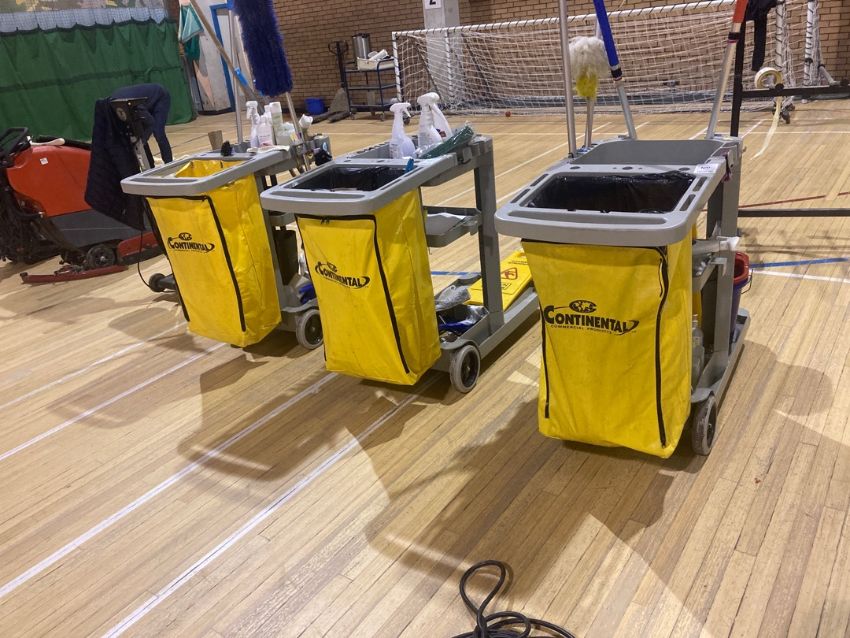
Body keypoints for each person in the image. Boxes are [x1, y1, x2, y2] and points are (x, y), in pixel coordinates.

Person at [110, 83, 173, 163]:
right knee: (138, 132)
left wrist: (142, 141)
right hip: (143, 101)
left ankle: (169, 162)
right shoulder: (111, 108)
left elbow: (150, 123)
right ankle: (149, 163)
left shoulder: (132, 105)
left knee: (158, 132)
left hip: (160, 97)